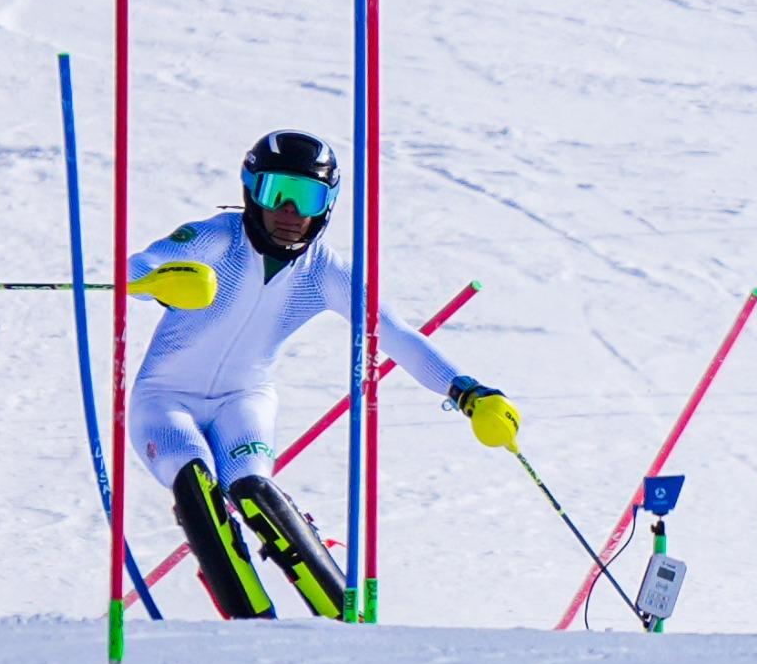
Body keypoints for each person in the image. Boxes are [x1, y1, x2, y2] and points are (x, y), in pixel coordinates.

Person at [128, 129, 520, 619]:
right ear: (252, 191)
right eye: (277, 194)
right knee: (194, 482)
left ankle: (337, 607)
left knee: (252, 491)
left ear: (327, 205)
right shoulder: (216, 238)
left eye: (308, 198)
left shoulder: (324, 270)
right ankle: (250, 616)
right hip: (164, 400)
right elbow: (138, 266)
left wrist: (468, 392)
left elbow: (396, 335)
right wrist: (155, 284)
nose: (291, 213)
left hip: (243, 401)